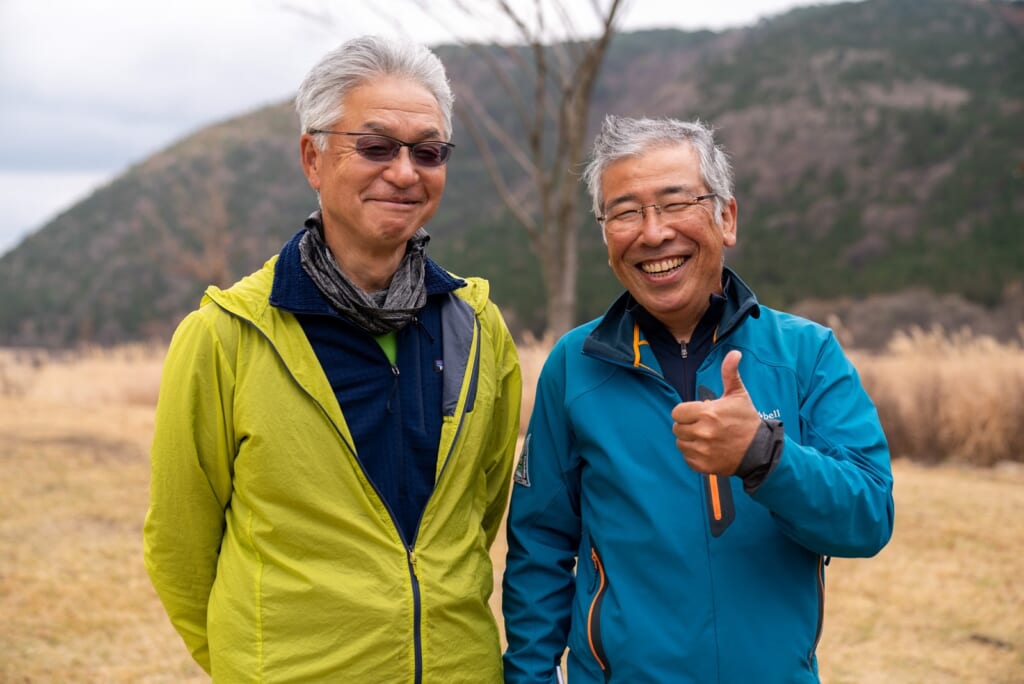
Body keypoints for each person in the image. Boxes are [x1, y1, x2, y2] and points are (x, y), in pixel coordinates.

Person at [143, 35, 521, 682]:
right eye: (374, 147)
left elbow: (476, 517)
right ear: (312, 158)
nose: (404, 172)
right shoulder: (225, 337)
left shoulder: (478, 327)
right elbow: (178, 545)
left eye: (427, 151)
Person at [501, 116, 894, 683]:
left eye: (674, 202)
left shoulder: (806, 354)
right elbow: (539, 545)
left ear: (726, 218)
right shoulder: (574, 365)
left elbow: (868, 519)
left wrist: (765, 456)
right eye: (625, 211)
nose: (653, 232)